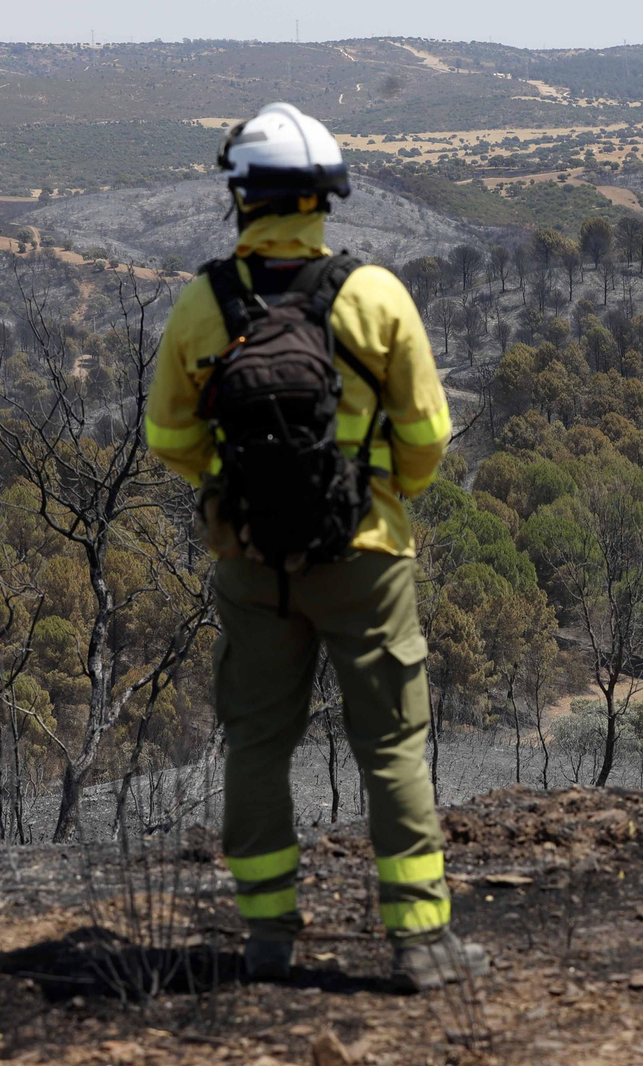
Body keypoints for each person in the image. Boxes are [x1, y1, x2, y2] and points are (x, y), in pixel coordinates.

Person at [145, 102, 486, 991]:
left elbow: (169, 440)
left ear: (242, 196)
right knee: (392, 749)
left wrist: (238, 499)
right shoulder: (374, 296)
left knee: (258, 745)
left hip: (252, 562)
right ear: (324, 197)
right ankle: (420, 943)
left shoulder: (204, 305)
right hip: (367, 555)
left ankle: (266, 942)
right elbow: (428, 435)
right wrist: (378, 498)